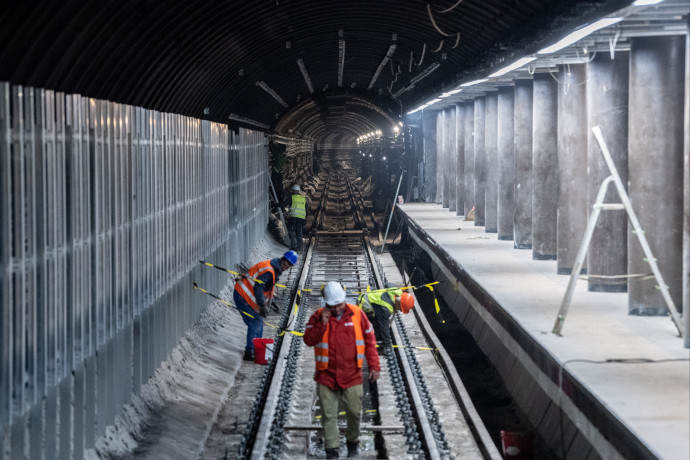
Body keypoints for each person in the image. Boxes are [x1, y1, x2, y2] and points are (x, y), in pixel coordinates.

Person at [304, 281, 380, 459]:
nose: (337, 308)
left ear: (344, 300)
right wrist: (322, 324)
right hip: (326, 375)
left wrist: (374, 365)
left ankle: (352, 443)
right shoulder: (317, 316)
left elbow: (370, 340)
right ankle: (332, 450)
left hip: (351, 374)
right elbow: (308, 340)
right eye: (333, 305)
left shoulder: (357, 314)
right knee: (328, 416)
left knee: (354, 412)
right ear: (326, 303)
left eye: (340, 304)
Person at [233, 250, 298, 361]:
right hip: (242, 295)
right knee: (254, 322)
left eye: (289, 266)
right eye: (286, 263)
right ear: (283, 259)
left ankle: (258, 350)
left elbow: (265, 288)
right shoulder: (269, 270)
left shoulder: (274, 269)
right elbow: (258, 288)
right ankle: (250, 352)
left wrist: (271, 303)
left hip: (245, 294)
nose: (286, 267)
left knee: (259, 321)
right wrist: (262, 305)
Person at [357, 284, 414, 355]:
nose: (400, 310)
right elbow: (384, 327)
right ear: (398, 303)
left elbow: (388, 284)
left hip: (370, 297)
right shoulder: (386, 308)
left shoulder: (397, 291)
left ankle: (378, 343)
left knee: (381, 324)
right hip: (364, 304)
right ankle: (377, 346)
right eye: (401, 308)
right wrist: (388, 345)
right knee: (378, 325)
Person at [284, 183, 307, 251]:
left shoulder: (292, 197)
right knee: (299, 232)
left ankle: (294, 246)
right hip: (301, 218)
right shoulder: (303, 199)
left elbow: (284, 204)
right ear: (299, 191)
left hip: (293, 217)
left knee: (292, 231)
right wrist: (305, 218)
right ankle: (300, 246)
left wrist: (277, 205)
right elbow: (307, 209)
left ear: (293, 190)